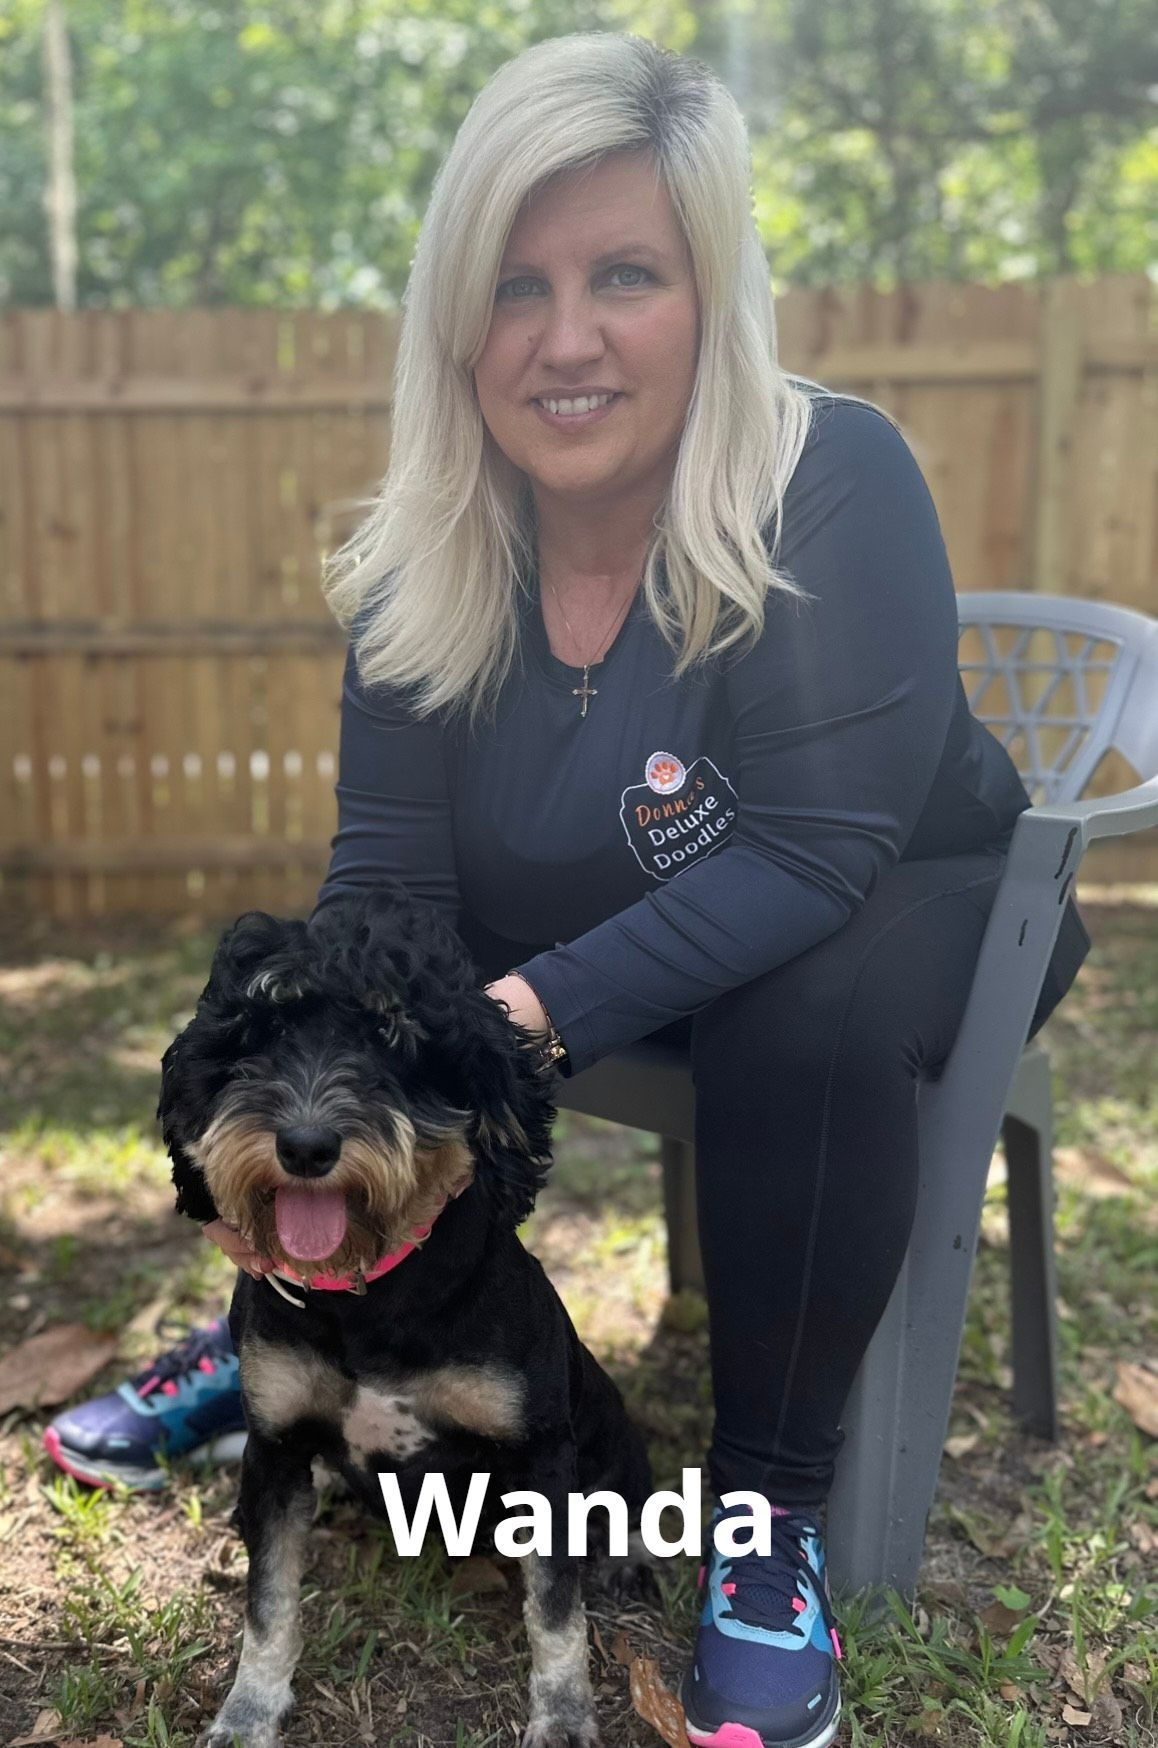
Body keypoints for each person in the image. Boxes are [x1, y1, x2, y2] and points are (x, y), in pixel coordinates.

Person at [45, 32, 1091, 1748]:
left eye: (625, 274)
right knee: (342, 1026)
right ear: (457, 324)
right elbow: (384, 883)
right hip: (631, 905)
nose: (567, 336)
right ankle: (285, 1327)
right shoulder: (419, 559)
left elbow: (820, 848)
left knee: (800, 1007)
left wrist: (510, 1019)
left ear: (711, 293)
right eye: (515, 285)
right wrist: (346, 1070)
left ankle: (760, 1523)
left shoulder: (831, 479)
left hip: (919, 899)